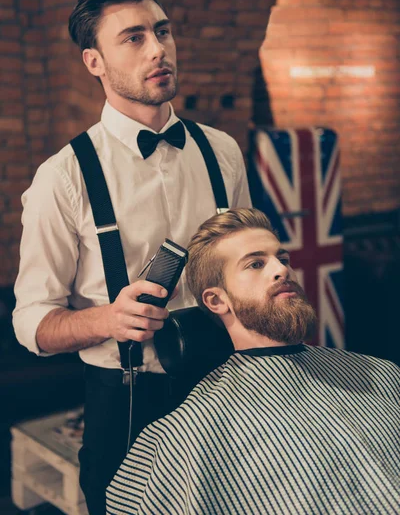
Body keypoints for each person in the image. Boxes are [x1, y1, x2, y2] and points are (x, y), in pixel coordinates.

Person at [12, 0, 251, 515]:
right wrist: (106, 321)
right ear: (93, 62)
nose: (158, 49)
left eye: (162, 31)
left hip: (230, 387)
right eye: (133, 38)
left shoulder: (223, 151)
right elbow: (31, 322)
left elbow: (245, 264)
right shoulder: (63, 177)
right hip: (130, 399)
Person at [107, 208, 400, 515]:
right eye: (256, 264)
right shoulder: (189, 432)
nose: (282, 270)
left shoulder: (382, 373)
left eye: (283, 259)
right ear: (217, 300)